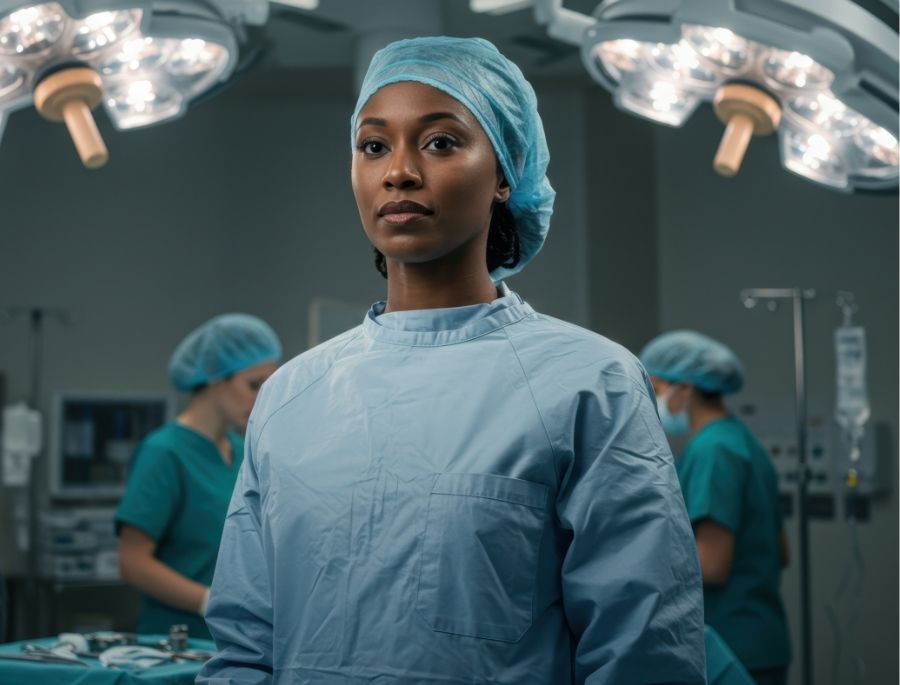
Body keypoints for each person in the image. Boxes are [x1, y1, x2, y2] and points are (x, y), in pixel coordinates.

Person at [199, 37, 705, 684]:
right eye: (373, 146)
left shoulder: (589, 384)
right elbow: (244, 645)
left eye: (440, 142)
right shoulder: (290, 396)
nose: (399, 172)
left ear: (504, 173)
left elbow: (645, 653)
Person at [115, 313, 281, 638]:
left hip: (236, 638)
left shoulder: (242, 451)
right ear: (217, 378)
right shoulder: (165, 452)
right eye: (253, 384)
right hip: (177, 641)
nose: (262, 397)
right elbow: (132, 562)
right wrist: (209, 601)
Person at [640, 330, 791, 685]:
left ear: (685, 388)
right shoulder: (740, 440)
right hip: (758, 635)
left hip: (732, 645)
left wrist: (637, 558)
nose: (653, 399)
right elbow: (780, 550)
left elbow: (712, 565)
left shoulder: (713, 450)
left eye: (658, 389)